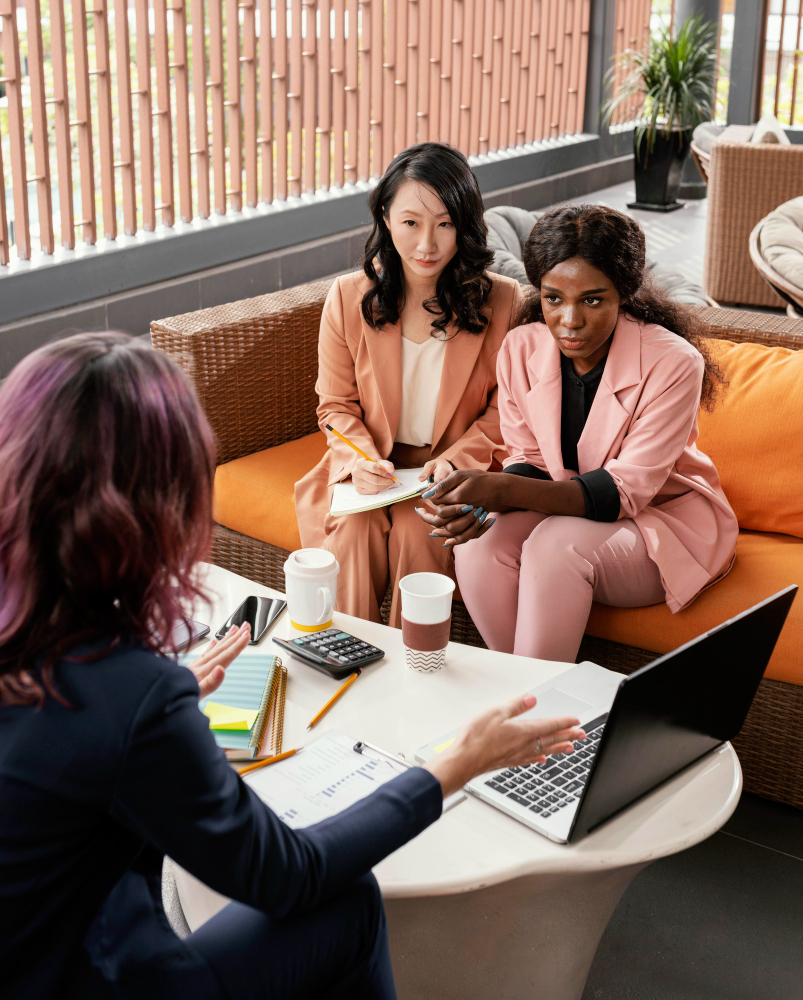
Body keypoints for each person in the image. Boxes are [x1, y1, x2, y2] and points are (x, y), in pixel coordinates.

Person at [0, 332, 585, 1000]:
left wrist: (150, 707)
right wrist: (455, 764)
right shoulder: (132, 695)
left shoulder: (74, 662)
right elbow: (289, 874)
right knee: (345, 901)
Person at [415, 205, 738, 662]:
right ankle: (529, 701)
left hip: (661, 522)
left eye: (592, 300)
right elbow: (532, 459)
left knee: (554, 547)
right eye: (553, 298)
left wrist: (503, 489)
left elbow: (623, 492)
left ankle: (531, 712)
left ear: (623, 293)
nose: (569, 320)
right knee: (478, 544)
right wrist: (487, 499)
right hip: (569, 508)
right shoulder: (521, 348)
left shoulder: (674, 363)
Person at [295, 142, 522, 626]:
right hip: (371, 469)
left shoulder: (503, 301)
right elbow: (334, 406)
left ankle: (414, 672)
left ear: (465, 223)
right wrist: (359, 460)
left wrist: (456, 462)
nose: (427, 245)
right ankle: (345, 663)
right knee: (354, 532)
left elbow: (508, 411)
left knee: (423, 533)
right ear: (385, 216)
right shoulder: (347, 297)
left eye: (445, 224)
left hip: (452, 474)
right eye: (411, 222)